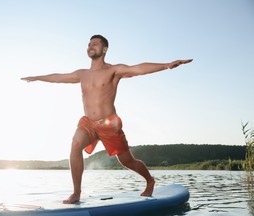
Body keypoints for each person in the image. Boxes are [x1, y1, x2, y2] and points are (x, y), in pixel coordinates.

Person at [21, 35, 192, 204]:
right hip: (88, 123)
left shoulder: (113, 70)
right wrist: (38, 77)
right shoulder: (82, 74)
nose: (90, 46)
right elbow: (58, 77)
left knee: (127, 161)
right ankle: (76, 192)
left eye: (95, 44)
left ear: (104, 49)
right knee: (75, 144)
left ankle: (149, 180)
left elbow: (138, 68)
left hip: (109, 123)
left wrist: (167, 65)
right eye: (89, 44)